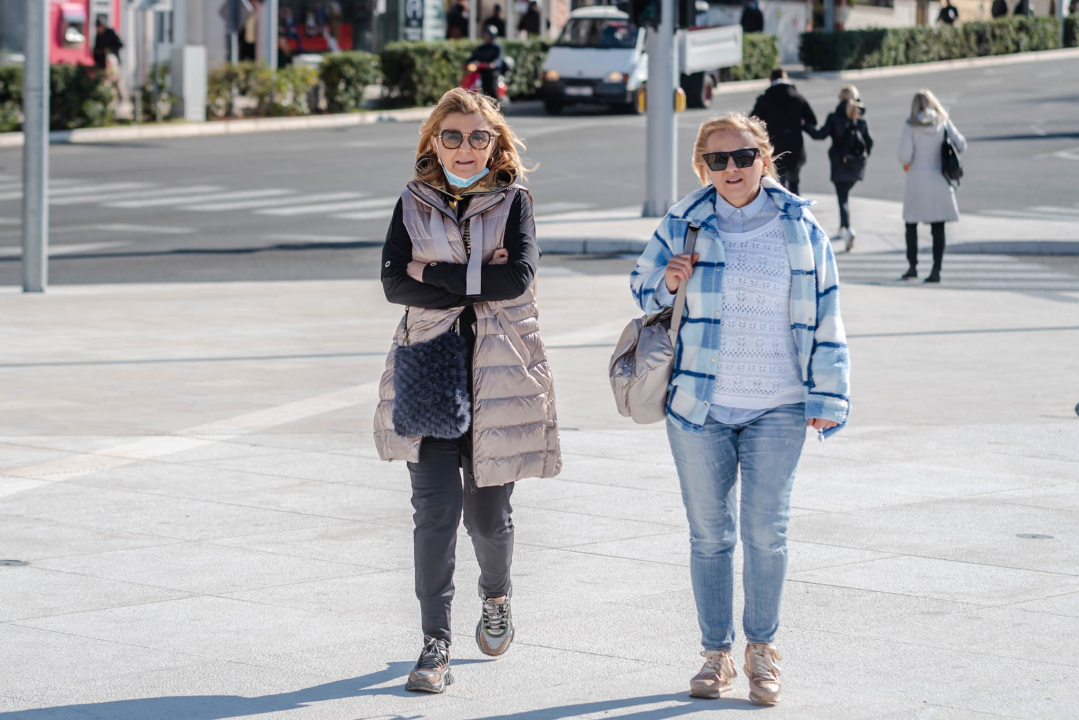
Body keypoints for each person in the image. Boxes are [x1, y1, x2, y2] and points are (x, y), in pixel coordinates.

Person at [629, 111, 849, 706]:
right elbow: (641, 288)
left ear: (765, 158)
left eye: (744, 156)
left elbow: (826, 311)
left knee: (766, 534)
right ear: (703, 166)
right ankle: (715, 655)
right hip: (700, 405)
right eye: (718, 160)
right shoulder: (685, 222)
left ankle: (762, 651)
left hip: (778, 405)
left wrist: (828, 392)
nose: (732, 169)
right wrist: (670, 282)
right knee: (709, 536)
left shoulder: (800, 226)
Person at [376, 87, 562, 694]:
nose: (464, 148)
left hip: (499, 371)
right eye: (451, 136)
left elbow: (519, 278)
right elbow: (392, 284)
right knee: (433, 514)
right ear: (434, 140)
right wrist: (471, 279)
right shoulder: (411, 202)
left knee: (487, 517)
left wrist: (433, 272)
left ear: (496, 142)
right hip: (429, 362)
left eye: (478, 137)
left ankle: (496, 593)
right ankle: (435, 643)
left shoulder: (515, 202)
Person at [897, 89, 967, 283]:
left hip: (917, 180)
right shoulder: (942, 121)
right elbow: (961, 144)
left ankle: (912, 266)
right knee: (938, 226)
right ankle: (936, 269)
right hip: (939, 178)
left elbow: (904, 155)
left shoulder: (910, 125)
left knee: (911, 223)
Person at [806, 84, 873, 252]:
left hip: (839, 164)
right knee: (845, 195)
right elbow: (869, 143)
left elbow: (820, 135)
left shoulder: (835, 117)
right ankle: (843, 227)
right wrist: (860, 159)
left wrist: (804, 125)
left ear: (841, 99)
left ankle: (848, 229)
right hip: (856, 166)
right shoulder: (860, 118)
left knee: (842, 199)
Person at [750, 68, 817, 195]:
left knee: (779, 184)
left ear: (771, 79)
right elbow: (812, 120)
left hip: (774, 147)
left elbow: (752, 121)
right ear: (785, 78)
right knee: (794, 184)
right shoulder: (798, 98)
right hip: (795, 148)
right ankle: (797, 212)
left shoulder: (765, 99)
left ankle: (782, 213)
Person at [466, 27, 507, 100]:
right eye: (485, 35)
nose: (486, 37)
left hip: (492, 72)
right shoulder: (481, 48)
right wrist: (466, 63)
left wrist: (493, 64)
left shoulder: (497, 48)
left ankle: (495, 101)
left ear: (492, 37)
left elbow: (499, 59)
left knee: (490, 85)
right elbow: (473, 57)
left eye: (487, 35)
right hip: (481, 71)